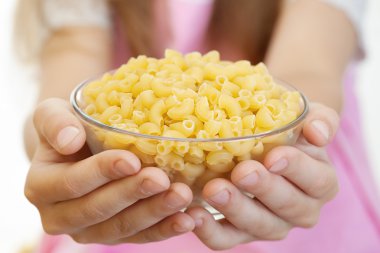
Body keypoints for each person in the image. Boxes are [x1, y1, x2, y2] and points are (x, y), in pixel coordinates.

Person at [15, 0, 380, 252]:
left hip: (304, 216)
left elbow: (308, 67)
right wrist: (60, 145)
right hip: (118, 218)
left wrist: (299, 133)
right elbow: (70, 86)